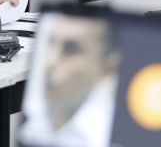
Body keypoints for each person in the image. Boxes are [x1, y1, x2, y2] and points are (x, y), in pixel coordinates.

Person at [30, 14, 120, 147]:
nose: (49, 62)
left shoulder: (110, 134)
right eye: (50, 42)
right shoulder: (31, 115)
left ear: (106, 68)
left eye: (70, 50)